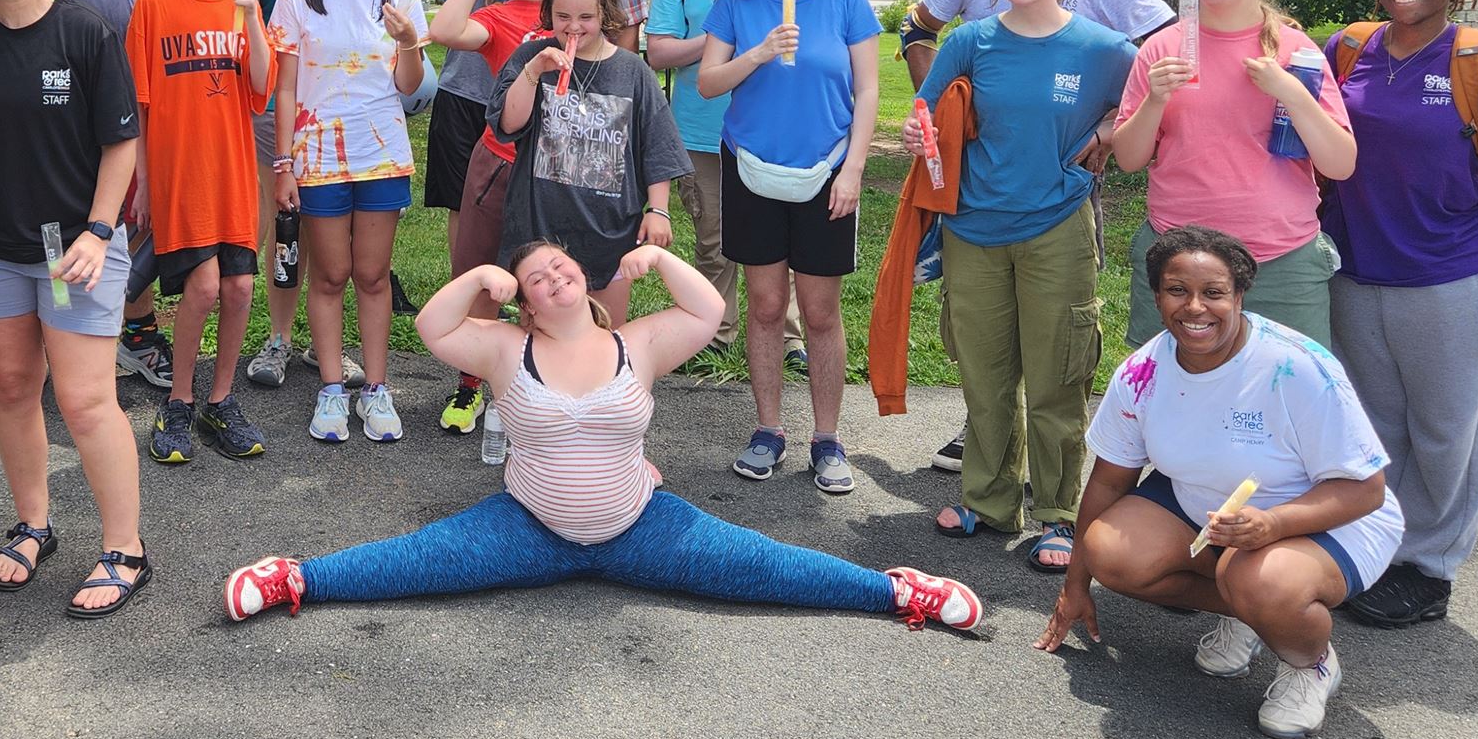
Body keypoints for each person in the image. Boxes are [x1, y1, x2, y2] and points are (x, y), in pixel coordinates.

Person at [221, 244, 986, 635]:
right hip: (529, 529)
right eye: (534, 277)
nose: (551, 277)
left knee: (771, 570)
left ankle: (896, 591)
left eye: (559, 267)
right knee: (411, 566)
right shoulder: (501, 349)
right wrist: (483, 273)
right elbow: (432, 327)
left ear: (582, 280)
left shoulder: (640, 342)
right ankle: (294, 577)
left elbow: (705, 308)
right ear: (522, 303)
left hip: (640, 527)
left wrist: (656, 259)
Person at [1036, 227, 1402, 739]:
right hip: (1209, 511)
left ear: (1240, 296)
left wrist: (1272, 524)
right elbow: (1108, 482)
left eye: (1214, 293)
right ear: (1156, 295)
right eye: (1176, 290)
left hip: (1332, 517)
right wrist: (1076, 583)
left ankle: (1309, 663)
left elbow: (1367, 490)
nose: (1195, 308)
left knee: (1261, 581)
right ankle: (1255, 613)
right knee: (1111, 552)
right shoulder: (1142, 372)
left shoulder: (1297, 367)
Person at [899, 0, 1172, 474]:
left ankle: (1056, 494)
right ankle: (987, 450)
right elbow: (917, 29)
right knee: (981, 339)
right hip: (976, 189)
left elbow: (1160, 55)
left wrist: (1110, 127)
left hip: (1064, 183)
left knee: (1060, 340)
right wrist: (937, 115)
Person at [1320, 0, 1478, 628]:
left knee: (1450, 434)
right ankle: (1379, 548)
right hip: (1355, 270)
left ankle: (1430, 568)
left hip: (1450, 275)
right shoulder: (1349, 49)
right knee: (1376, 426)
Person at [0, 0, 154, 616]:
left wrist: (99, 233)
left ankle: (125, 549)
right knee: (9, 386)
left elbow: (121, 141)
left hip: (68, 252)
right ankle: (34, 523)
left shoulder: (85, 31)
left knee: (86, 398)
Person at [909, 0, 1134, 570]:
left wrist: (1110, 129)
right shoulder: (971, 42)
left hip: (1056, 227)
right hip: (974, 228)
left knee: (1059, 374)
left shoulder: (1102, 48)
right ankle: (988, 499)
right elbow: (925, 110)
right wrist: (926, 134)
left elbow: (1151, 97)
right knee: (985, 372)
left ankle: (1059, 513)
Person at [696, 0, 882, 494]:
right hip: (752, 169)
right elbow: (707, 83)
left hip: (827, 170)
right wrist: (759, 53)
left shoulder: (847, 0)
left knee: (821, 313)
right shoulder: (736, 3)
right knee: (767, 306)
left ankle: (827, 439)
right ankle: (768, 429)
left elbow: (869, 92)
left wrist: (853, 168)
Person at [1109, 0, 1355, 346]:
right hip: (1178, 255)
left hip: (1281, 261)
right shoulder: (1163, 48)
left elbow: (1340, 163)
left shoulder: (1295, 51)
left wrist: (1293, 94)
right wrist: (1155, 99)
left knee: (1287, 395)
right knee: (1171, 393)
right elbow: (1129, 159)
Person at [271, 0, 427, 445]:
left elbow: (409, 87)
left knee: (372, 273)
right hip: (315, 156)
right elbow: (285, 88)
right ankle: (333, 389)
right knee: (331, 273)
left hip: (381, 153)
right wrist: (283, 162)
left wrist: (409, 39)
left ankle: (377, 389)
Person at [29, 0, 179, 392]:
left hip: (132, 96)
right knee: (56, 220)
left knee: (130, 219)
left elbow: (168, 3)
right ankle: (57, 331)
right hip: (52, 100)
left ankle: (135, 335)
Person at [123, 0, 272, 466]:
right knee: (204, 286)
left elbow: (261, 83)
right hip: (180, 169)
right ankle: (179, 400)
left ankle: (221, 399)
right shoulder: (154, 2)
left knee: (239, 287)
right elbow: (139, 101)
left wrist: (250, 12)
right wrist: (142, 179)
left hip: (233, 167)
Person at [424, 0, 562, 428]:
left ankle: (537, 386)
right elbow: (444, 29)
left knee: (545, 278)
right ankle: (469, 386)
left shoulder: (570, 16)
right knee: (481, 274)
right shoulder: (500, 15)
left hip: (552, 173)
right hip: (497, 164)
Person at [488, 0, 688, 319]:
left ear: (605, 14)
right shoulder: (530, 58)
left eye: (586, 17)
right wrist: (534, 71)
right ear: (548, 12)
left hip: (609, 226)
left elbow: (657, 145)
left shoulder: (632, 71)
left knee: (605, 334)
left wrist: (658, 210)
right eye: (563, 16)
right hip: (539, 222)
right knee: (540, 336)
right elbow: (508, 122)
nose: (574, 27)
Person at [228, 0, 352, 391]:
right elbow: (223, 10)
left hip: (336, 102)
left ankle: (329, 340)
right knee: (280, 220)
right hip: (272, 96)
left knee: (334, 229)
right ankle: (278, 337)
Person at [645, 0, 755, 373]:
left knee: (783, 238)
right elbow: (658, 53)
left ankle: (791, 337)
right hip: (700, 128)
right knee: (714, 237)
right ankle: (718, 331)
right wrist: (719, 41)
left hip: (775, 130)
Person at [423, 0, 545, 250]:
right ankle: (463, 282)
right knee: (462, 198)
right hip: (463, 91)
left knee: (512, 197)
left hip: (512, 103)